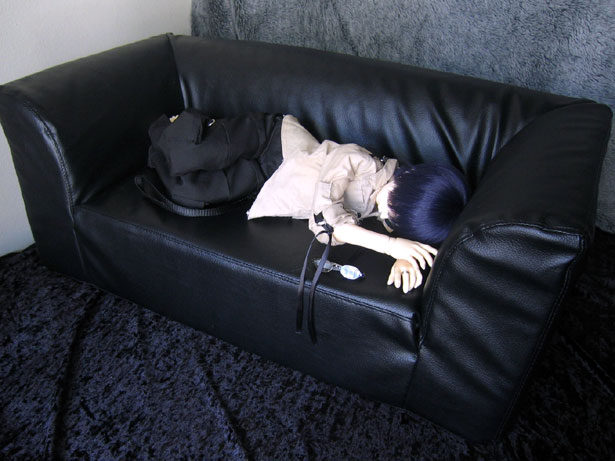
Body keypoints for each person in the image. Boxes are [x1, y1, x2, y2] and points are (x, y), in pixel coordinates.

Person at [247, 115, 470, 294]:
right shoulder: (362, 162)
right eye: (393, 205)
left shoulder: (389, 210)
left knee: (225, 189)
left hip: (266, 182)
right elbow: (326, 222)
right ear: (407, 177)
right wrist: (390, 246)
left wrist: (406, 257)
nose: (386, 214)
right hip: (274, 141)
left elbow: (414, 222)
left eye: (395, 219)